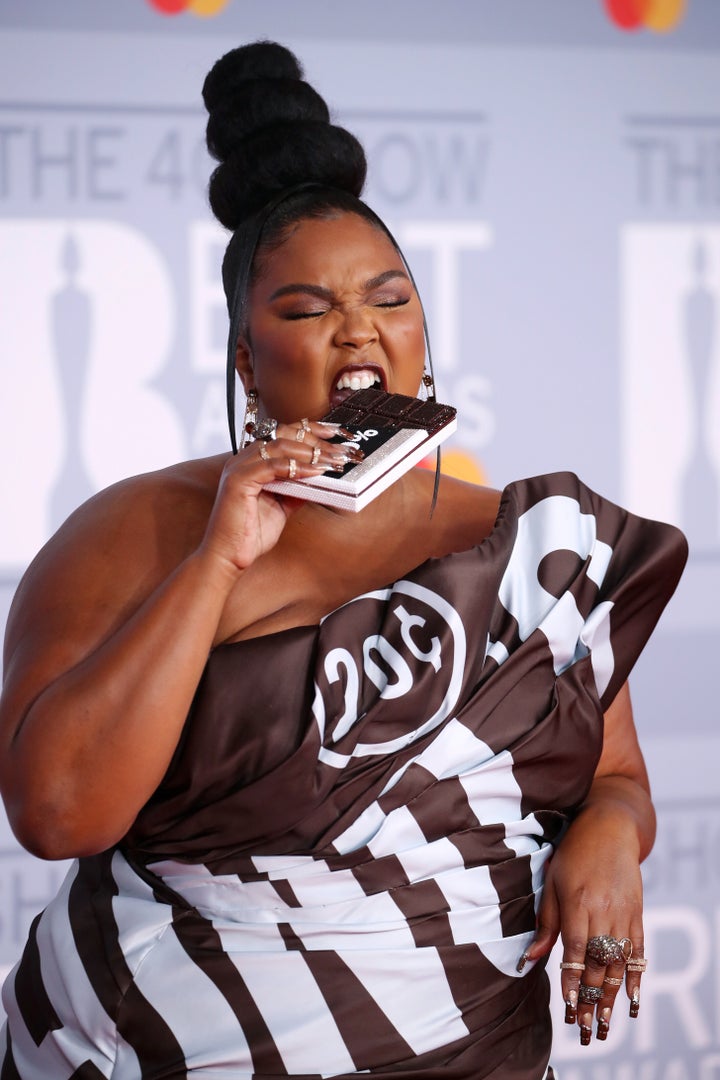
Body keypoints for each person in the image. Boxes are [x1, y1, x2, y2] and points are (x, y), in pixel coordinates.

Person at [0, 40, 686, 1080]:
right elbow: (57, 815)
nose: (356, 329)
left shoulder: (532, 541)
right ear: (245, 355)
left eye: (389, 297)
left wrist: (608, 838)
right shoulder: (132, 532)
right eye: (307, 310)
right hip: (159, 1050)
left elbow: (620, 780)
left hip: (471, 1051)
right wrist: (216, 565)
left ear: (424, 327)